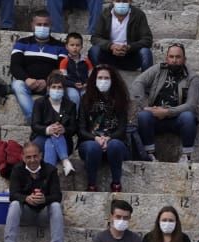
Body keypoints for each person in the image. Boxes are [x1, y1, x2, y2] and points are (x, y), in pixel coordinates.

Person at [131, 43, 199, 164]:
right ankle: (149, 154)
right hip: (156, 116)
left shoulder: (193, 77)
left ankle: (186, 156)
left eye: (178, 57)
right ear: (166, 58)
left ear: (184, 59)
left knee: (189, 117)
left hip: (178, 118)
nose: (174, 60)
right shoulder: (158, 69)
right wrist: (145, 107)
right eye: (171, 57)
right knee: (143, 116)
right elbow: (138, 83)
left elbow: (191, 105)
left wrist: (167, 112)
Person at [1, 142, 64, 242]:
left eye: (35, 156)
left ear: (41, 156)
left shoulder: (51, 170)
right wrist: (26, 199)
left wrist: (44, 199)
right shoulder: (17, 169)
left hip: (44, 214)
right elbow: (13, 195)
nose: (32, 160)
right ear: (23, 157)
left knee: (55, 205)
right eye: (28, 157)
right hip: (25, 213)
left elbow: (57, 196)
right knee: (14, 204)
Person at [77, 64, 130, 193]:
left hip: (114, 142)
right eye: (100, 78)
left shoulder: (120, 99)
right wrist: (95, 138)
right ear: (94, 80)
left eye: (106, 78)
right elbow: (81, 129)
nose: (103, 81)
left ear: (113, 80)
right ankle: (91, 184)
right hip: (91, 143)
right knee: (92, 147)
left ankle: (116, 183)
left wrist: (109, 139)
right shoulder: (85, 99)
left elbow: (122, 129)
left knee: (115, 145)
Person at [11, 11, 67, 121]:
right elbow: (15, 66)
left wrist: (47, 81)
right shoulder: (22, 43)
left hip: (48, 85)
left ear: (51, 25)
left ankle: (54, 120)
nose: (42, 27)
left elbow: (61, 69)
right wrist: (26, 79)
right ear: (32, 25)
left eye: (45, 25)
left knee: (61, 89)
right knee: (17, 84)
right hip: (27, 82)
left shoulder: (59, 46)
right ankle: (34, 120)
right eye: (39, 24)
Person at [31, 71, 79, 176]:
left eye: (59, 87)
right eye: (54, 87)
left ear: (64, 89)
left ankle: (47, 177)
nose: (56, 90)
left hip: (64, 141)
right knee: (50, 137)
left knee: (51, 142)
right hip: (40, 139)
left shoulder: (70, 105)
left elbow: (74, 128)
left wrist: (64, 129)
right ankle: (65, 161)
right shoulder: (39, 103)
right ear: (48, 88)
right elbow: (35, 125)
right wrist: (48, 130)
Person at [89, 1, 154, 73]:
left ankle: (146, 80)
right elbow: (95, 38)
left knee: (146, 52)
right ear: (113, 1)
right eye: (118, 1)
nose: (121, 3)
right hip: (109, 55)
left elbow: (147, 39)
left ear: (130, 1)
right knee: (94, 50)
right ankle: (100, 76)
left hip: (131, 56)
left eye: (125, 1)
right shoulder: (105, 14)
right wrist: (111, 46)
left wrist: (129, 47)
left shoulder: (139, 15)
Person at [59, 32, 91, 107]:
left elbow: (92, 75)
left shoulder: (86, 61)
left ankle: (85, 117)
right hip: (71, 86)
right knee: (74, 96)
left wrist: (87, 83)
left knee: (87, 96)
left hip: (85, 86)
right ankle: (75, 116)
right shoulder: (64, 62)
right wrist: (73, 84)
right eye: (72, 45)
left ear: (82, 47)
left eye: (77, 45)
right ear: (66, 46)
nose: (75, 48)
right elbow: (63, 78)